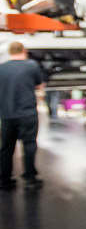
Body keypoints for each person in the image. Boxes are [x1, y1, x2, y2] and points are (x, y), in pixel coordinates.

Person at [0, 42, 44, 190]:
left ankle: (4, 179)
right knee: (29, 144)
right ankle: (30, 179)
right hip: (27, 113)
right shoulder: (31, 66)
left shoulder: (2, 68)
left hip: (7, 113)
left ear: (9, 51)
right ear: (24, 51)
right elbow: (39, 85)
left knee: (7, 146)